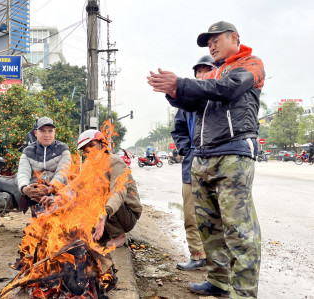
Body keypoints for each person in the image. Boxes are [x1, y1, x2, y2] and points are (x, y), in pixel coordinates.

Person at [147, 21, 264, 299]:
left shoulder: (249, 64)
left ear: (234, 38)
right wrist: (175, 93)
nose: (211, 46)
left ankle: (243, 291)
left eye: (215, 40)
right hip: (203, 156)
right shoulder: (215, 74)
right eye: (207, 42)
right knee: (209, 226)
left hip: (233, 153)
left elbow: (228, 90)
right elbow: (196, 105)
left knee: (238, 228)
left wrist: (185, 83)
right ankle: (219, 280)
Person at [171, 55, 214, 271]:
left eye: (206, 70)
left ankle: (218, 260)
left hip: (216, 163)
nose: (201, 75)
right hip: (191, 165)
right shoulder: (187, 103)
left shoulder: (220, 98)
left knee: (217, 217)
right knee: (191, 214)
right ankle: (197, 255)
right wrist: (186, 150)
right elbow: (178, 129)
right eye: (198, 71)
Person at [77, 130, 143, 248]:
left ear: (102, 145)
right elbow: (76, 184)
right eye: (85, 149)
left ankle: (118, 235)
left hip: (126, 214)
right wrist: (56, 194)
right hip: (105, 215)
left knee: (98, 192)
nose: (88, 150)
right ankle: (101, 230)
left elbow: (118, 192)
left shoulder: (115, 162)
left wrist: (104, 213)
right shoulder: (88, 164)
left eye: (92, 145)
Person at [17, 117, 71, 217]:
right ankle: (39, 220)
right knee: (40, 226)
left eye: (50, 131)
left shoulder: (63, 149)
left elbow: (62, 172)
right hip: (37, 193)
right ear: (36, 133)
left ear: (54, 132)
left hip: (57, 192)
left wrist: (50, 188)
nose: (47, 135)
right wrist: (25, 188)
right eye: (42, 131)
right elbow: (23, 172)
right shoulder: (28, 151)